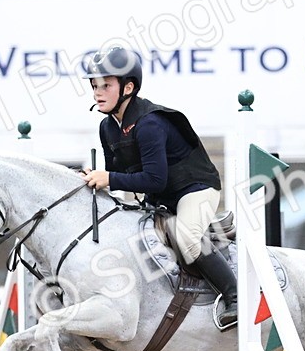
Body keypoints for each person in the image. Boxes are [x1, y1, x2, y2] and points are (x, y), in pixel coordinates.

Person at [81, 46, 238, 329]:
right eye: (94, 86)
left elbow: (153, 180)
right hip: (163, 196)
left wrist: (109, 178)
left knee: (187, 239)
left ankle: (235, 297)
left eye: (106, 85)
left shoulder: (150, 123)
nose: (98, 92)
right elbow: (114, 174)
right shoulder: (108, 127)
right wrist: (94, 178)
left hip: (196, 188)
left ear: (128, 87)